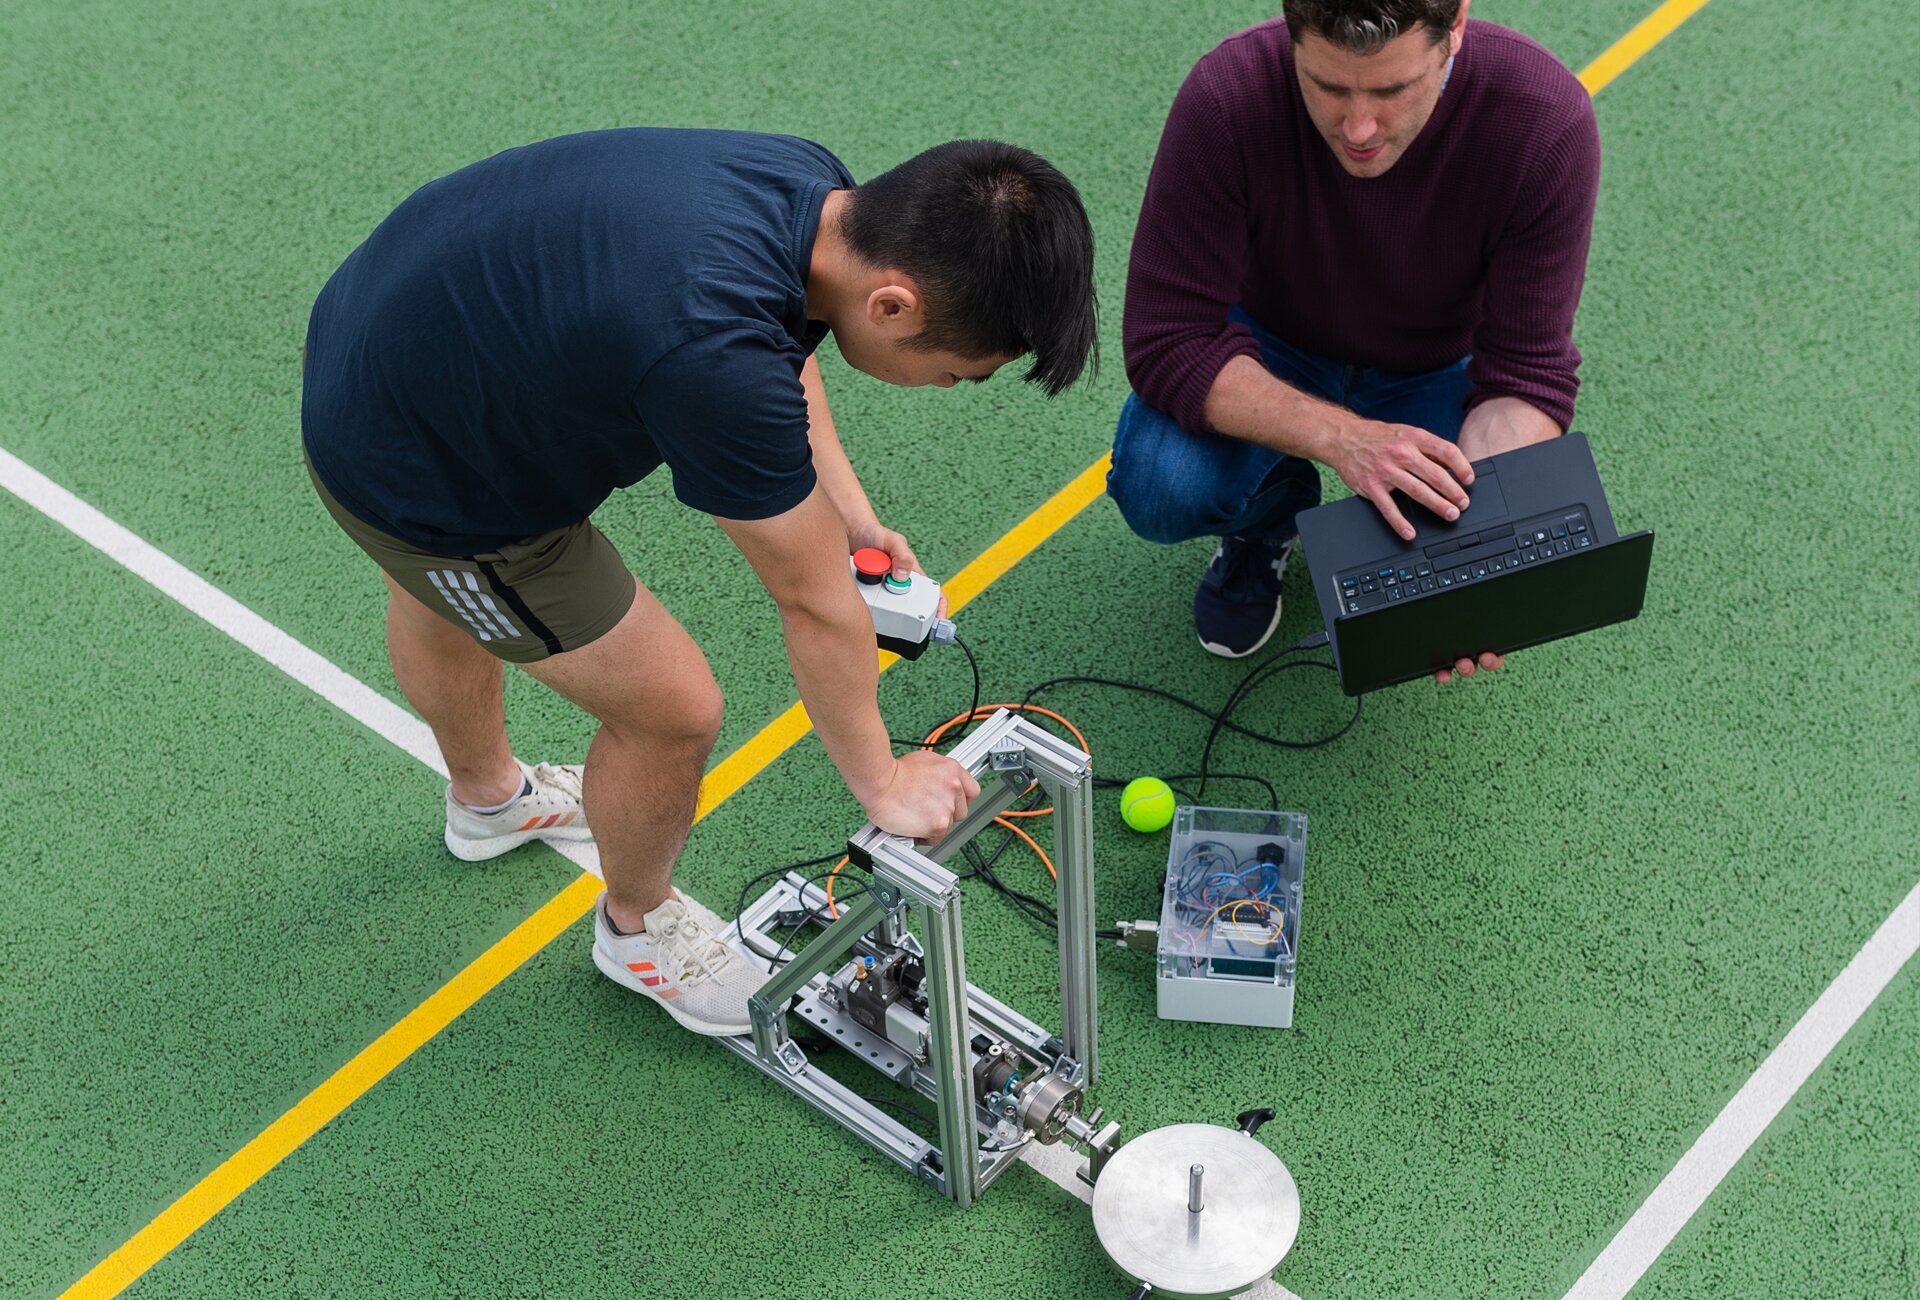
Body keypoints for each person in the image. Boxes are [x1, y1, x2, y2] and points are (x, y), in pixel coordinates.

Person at [301, 129, 1097, 1035]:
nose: (948, 387)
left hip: (386, 331)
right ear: (892, 304)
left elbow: (787, 345)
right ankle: (637, 932)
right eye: (956, 371)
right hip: (424, 477)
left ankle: (490, 804)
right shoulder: (710, 352)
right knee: (671, 710)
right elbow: (811, 601)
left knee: (439, 601)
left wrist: (848, 514)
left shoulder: (812, 191)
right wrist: (882, 781)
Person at [1108, 0, 1599, 677]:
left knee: (1464, 523)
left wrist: (1479, 560)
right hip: (1271, 343)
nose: (1359, 127)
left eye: (1393, 90)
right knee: (1160, 485)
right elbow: (1167, 338)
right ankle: (1267, 521)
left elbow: (1525, 373)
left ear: (1455, 26)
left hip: (1437, 365)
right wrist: (1344, 439)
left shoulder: (1545, 120)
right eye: (1328, 87)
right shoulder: (1227, 96)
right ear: (1292, 38)